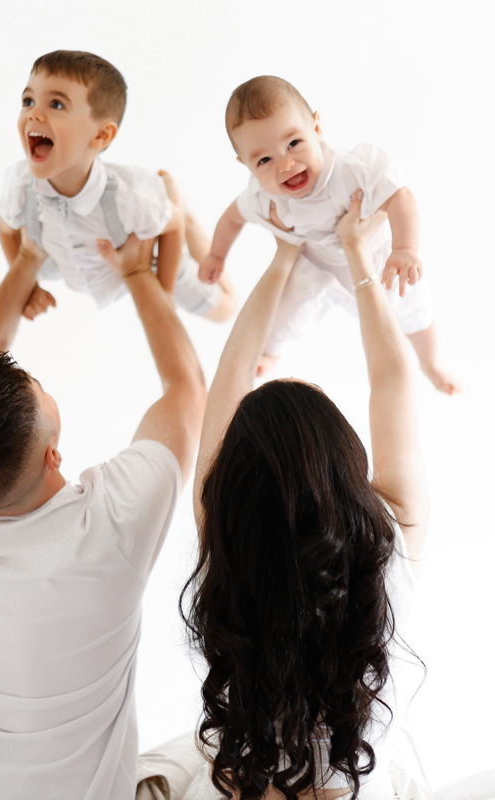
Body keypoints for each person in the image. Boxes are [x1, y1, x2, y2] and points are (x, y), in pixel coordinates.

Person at [0, 229, 206, 799]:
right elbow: (187, 390)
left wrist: (26, 264)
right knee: (213, 748)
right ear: (52, 456)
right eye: (37, 386)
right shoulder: (110, 528)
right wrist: (138, 275)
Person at [181, 191, 431, 799]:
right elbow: (393, 379)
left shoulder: (224, 536)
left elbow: (231, 375)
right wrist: (357, 258)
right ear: (342, 464)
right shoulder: (391, 537)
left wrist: (283, 257)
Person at [199, 75, 459, 394]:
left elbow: (400, 197)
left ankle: (431, 363)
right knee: (281, 315)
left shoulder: (353, 170)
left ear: (317, 127)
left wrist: (405, 248)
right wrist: (216, 256)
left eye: (294, 143)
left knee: (415, 313)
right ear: (246, 164)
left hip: (377, 260)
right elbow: (231, 219)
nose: (286, 164)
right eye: (264, 159)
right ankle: (270, 354)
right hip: (315, 264)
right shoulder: (262, 197)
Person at [0, 49, 236, 322]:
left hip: (145, 257)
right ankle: (167, 203)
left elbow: (173, 225)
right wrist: (28, 287)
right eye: (28, 101)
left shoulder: (130, 198)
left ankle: (174, 203)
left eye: (56, 105)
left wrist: (164, 296)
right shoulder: (19, 185)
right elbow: (6, 228)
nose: (34, 114)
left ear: (101, 135)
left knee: (225, 312)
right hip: (70, 265)